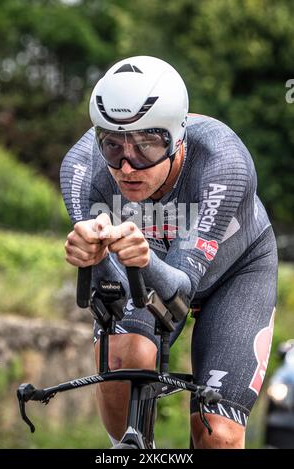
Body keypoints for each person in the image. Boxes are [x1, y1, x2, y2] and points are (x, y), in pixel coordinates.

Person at [60, 56, 278, 449]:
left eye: (146, 146)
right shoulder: (81, 169)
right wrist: (95, 261)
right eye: (113, 146)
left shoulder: (223, 161)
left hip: (236, 271)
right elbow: (109, 300)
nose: (127, 167)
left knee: (220, 436)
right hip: (148, 263)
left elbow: (177, 295)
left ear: (179, 136)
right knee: (124, 356)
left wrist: (141, 260)